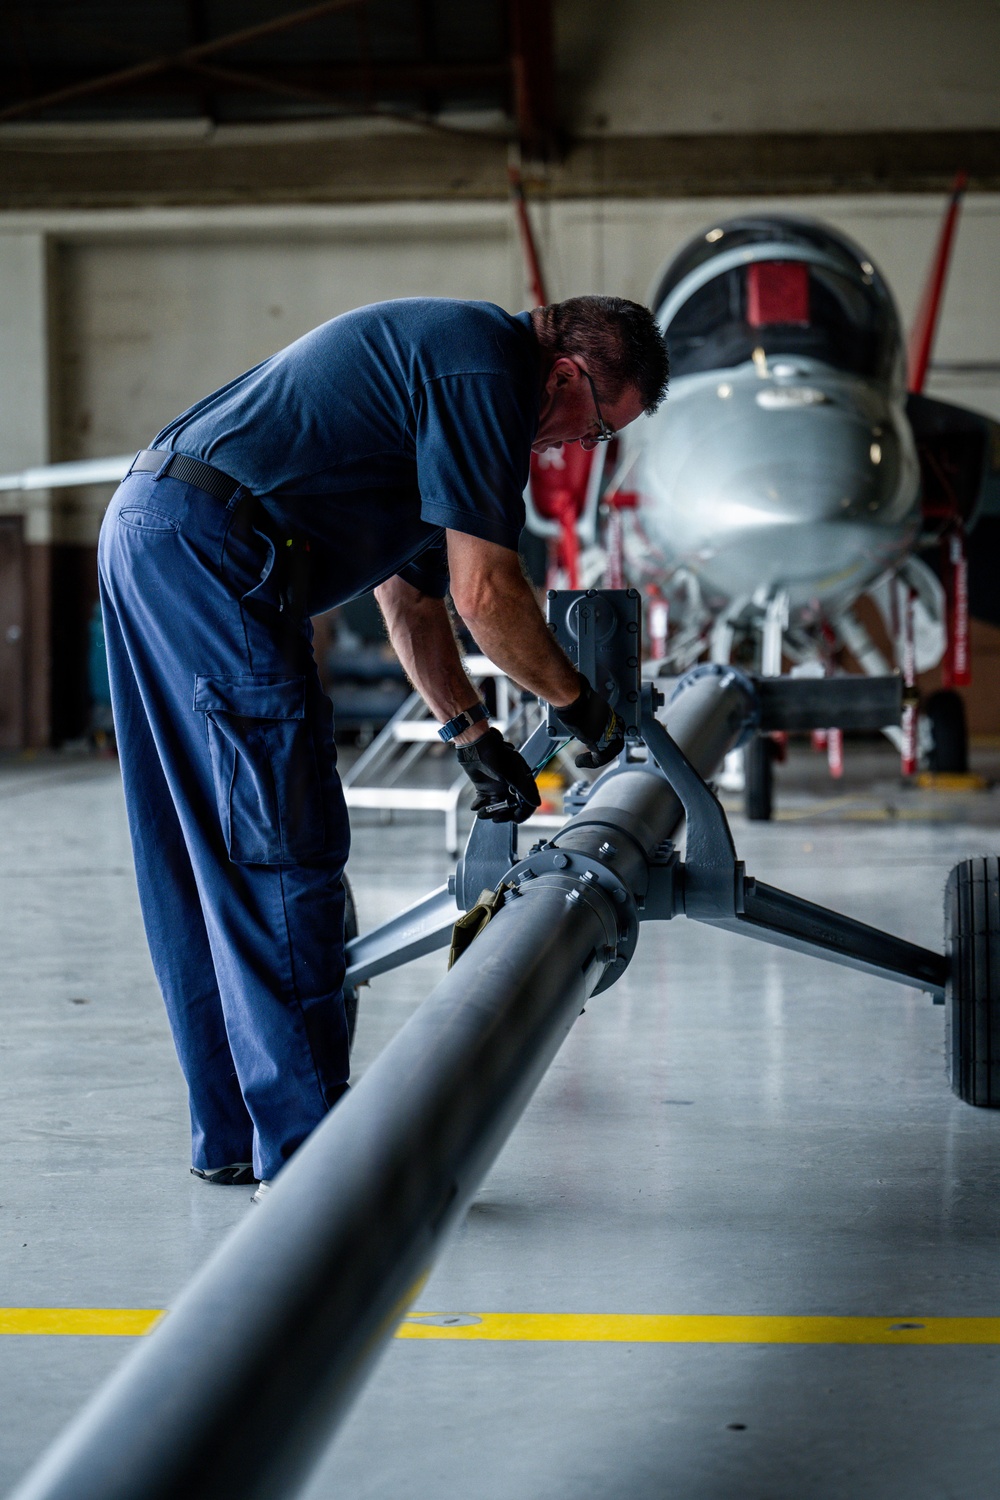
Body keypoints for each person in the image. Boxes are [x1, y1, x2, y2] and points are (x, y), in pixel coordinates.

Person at [97, 294, 669, 1196]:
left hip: (158, 528)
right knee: (281, 847)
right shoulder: (486, 372)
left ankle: (237, 1135)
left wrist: (471, 732)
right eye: (595, 427)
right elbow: (487, 594)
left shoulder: (449, 373)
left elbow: (412, 598)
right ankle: (319, 1169)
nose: (575, 448)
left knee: (199, 852)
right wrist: (582, 706)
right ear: (565, 374)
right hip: (211, 554)